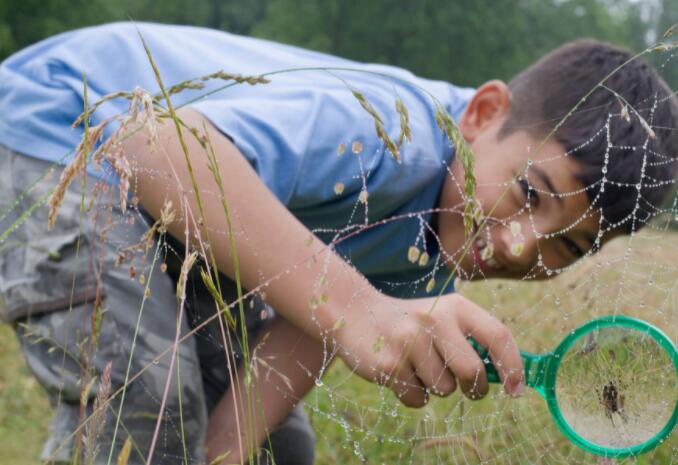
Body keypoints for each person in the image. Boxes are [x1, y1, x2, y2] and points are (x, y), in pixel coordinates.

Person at [0, 21, 675, 465]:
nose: (526, 247)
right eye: (530, 193)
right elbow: (153, 144)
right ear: (483, 114)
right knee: (152, 415)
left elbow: (308, 325)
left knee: (276, 449)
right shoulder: (393, 132)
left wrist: (228, 451)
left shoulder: (433, 249)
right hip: (64, 133)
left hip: (156, 206)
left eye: (567, 246)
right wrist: (362, 310)